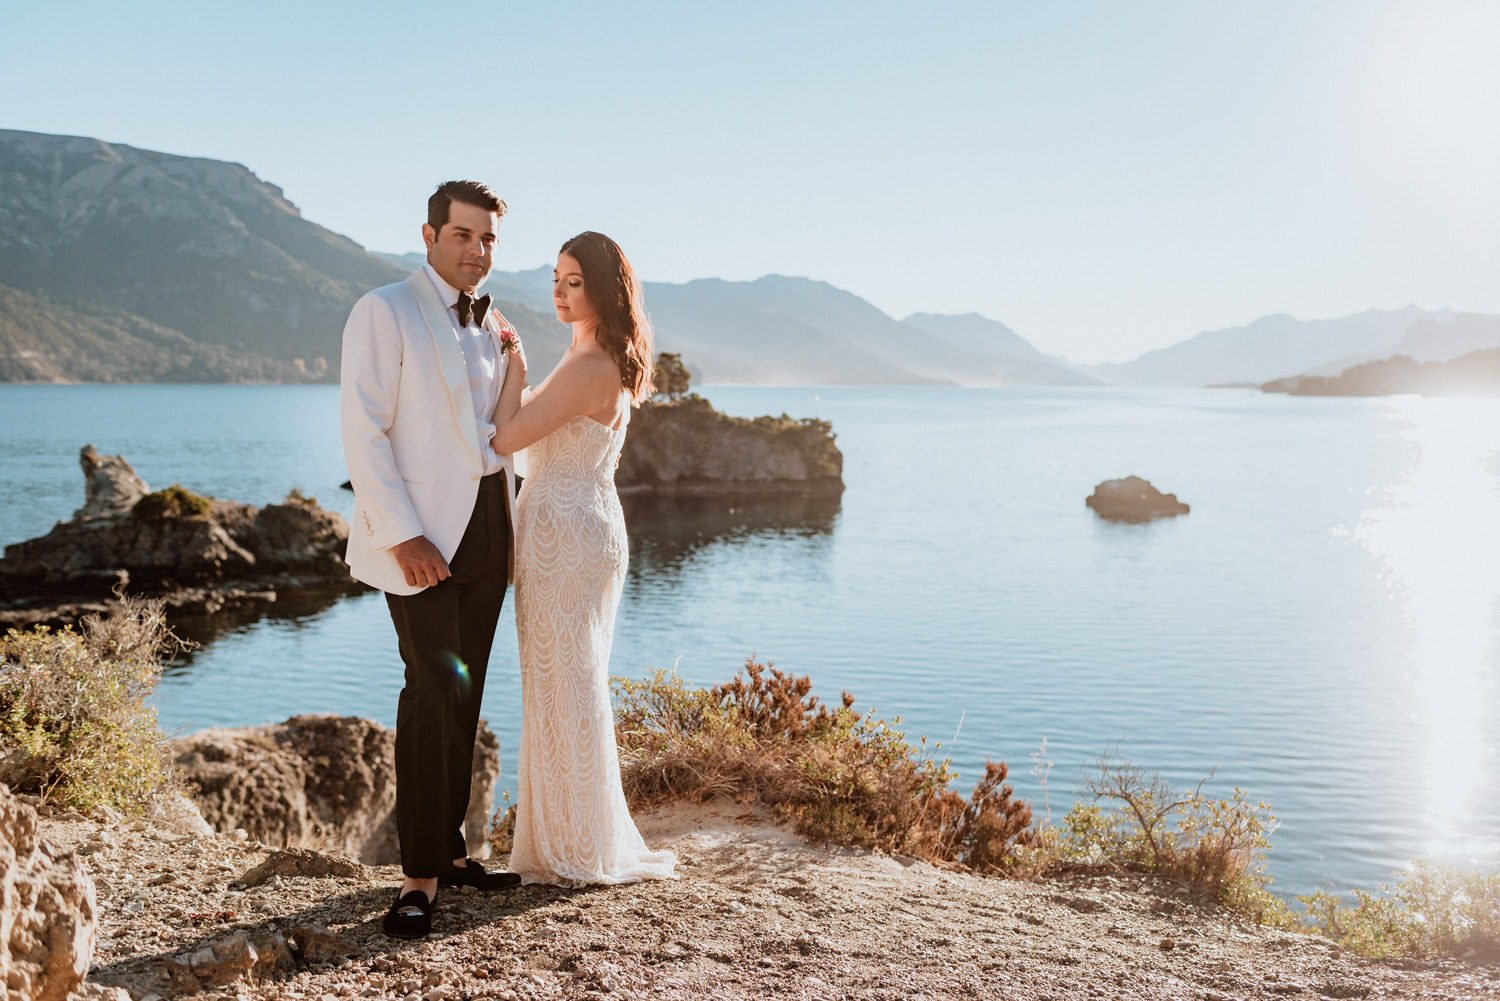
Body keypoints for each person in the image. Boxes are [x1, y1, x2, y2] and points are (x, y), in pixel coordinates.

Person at [339, 180, 525, 938]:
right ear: (429, 234)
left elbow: (496, 432)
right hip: (418, 535)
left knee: (467, 688)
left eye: (488, 240)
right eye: (463, 236)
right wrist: (402, 533)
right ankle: (417, 875)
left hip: (490, 526)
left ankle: (451, 852)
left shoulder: (499, 326)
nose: (477, 251)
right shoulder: (383, 310)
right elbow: (364, 429)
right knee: (428, 687)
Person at [489, 231, 678, 885]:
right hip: (574, 528)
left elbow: (510, 437)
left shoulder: (591, 363)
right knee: (564, 682)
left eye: (574, 281)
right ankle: (564, 838)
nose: (561, 292)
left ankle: (575, 844)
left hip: (567, 536)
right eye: (556, 279)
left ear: (603, 288)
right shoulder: (593, 353)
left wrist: (511, 363)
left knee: (565, 684)